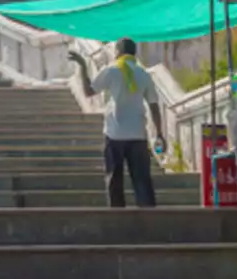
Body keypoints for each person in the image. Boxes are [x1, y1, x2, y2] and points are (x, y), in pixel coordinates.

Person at [70, 38, 167, 208]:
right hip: (138, 134)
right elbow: (154, 106)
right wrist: (159, 133)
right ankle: (150, 219)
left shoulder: (112, 70)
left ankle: (118, 218)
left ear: (118, 52)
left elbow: (88, 91)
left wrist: (83, 66)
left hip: (115, 134)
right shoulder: (143, 74)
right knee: (142, 180)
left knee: (114, 180)